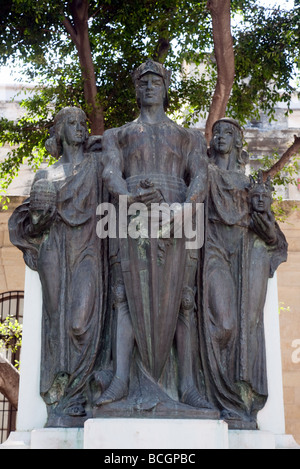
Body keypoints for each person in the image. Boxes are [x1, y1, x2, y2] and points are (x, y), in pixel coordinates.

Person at [94, 60, 213, 415]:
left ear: (165, 87)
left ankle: (189, 386)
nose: (149, 87)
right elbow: (111, 172)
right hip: (130, 215)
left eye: (155, 81)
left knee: (185, 301)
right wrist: (128, 200)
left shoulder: (187, 135)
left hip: (178, 215)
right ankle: (120, 380)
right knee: (123, 296)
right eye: (142, 82)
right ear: (136, 88)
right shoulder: (118, 134)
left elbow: (201, 177)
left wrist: (184, 210)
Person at [9, 107, 107, 426]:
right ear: (60, 131)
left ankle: (81, 391)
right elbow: (33, 225)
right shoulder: (45, 176)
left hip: (89, 249)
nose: (80, 128)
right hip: (54, 250)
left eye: (83, 124)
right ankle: (61, 398)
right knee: (57, 322)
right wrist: (40, 215)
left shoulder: (97, 165)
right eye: (73, 124)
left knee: (81, 323)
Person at [199, 118, 287, 429]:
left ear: (238, 142)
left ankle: (240, 399)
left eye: (229, 133)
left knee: (247, 323)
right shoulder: (203, 174)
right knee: (224, 324)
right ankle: (219, 395)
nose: (221, 136)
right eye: (217, 132)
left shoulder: (251, 185)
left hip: (246, 254)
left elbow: (272, 237)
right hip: (214, 253)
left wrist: (261, 215)